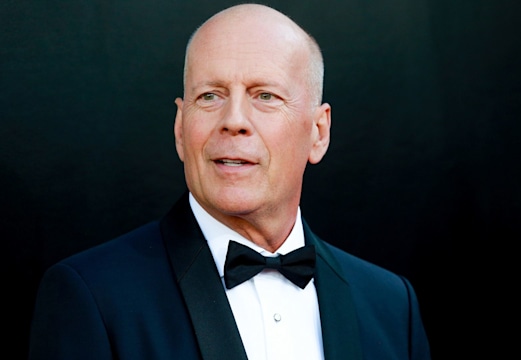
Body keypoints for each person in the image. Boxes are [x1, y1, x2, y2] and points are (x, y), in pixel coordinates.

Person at [28, 3, 431, 360]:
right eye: (210, 96)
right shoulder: (91, 297)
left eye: (265, 96)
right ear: (180, 129)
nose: (234, 120)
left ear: (318, 132)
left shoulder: (393, 305)